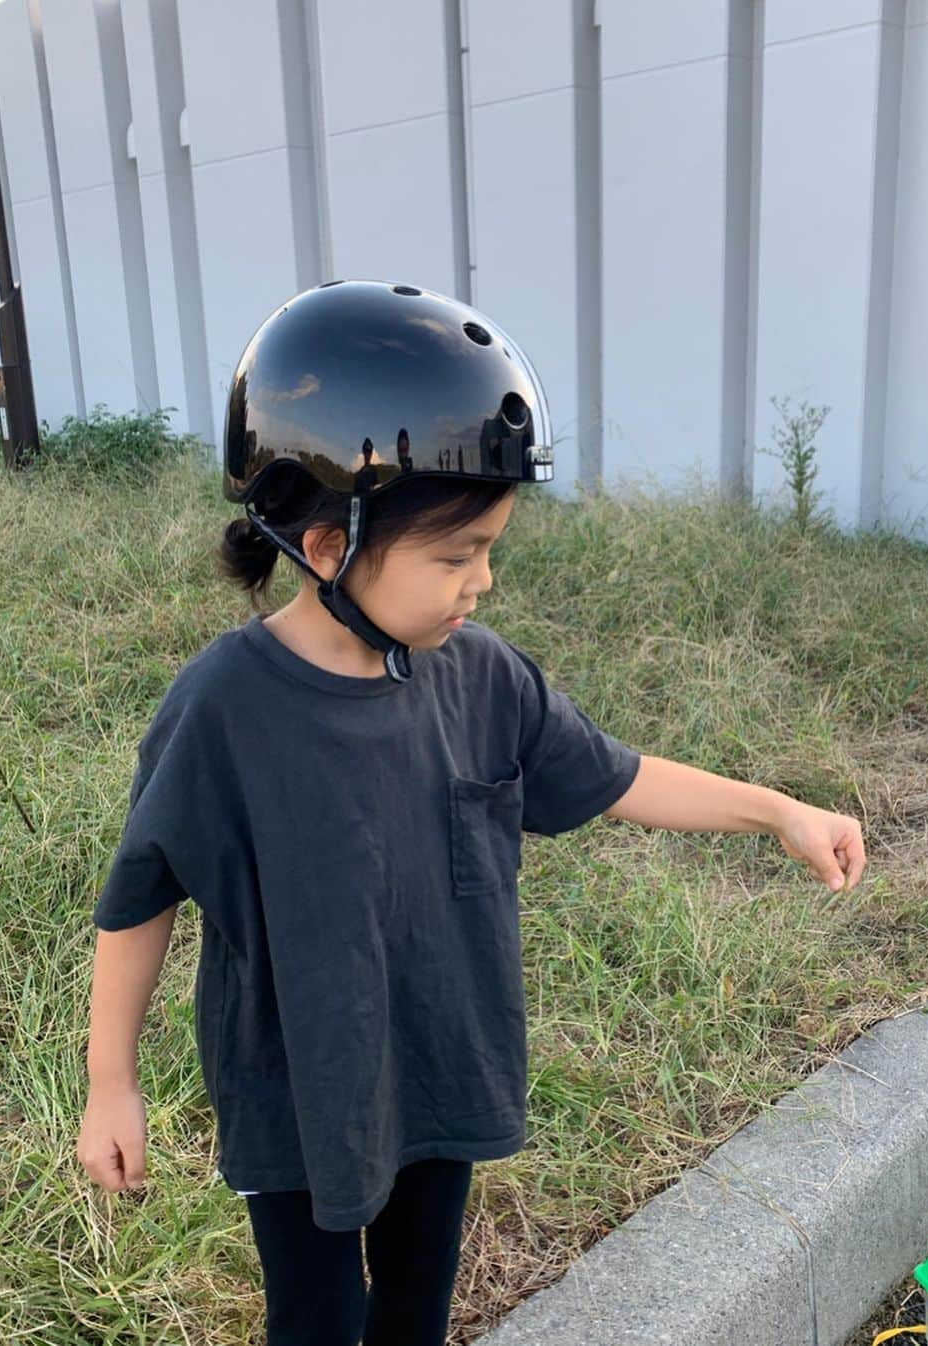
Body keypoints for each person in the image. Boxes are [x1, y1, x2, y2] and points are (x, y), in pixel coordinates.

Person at [76, 280, 865, 1345]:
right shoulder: (225, 706)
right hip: (301, 1086)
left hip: (440, 1066)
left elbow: (617, 773)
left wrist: (778, 810)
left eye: (491, 547)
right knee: (316, 1317)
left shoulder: (483, 676)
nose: (482, 581)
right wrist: (109, 1080)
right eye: (455, 554)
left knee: (416, 1302)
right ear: (325, 545)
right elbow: (140, 897)